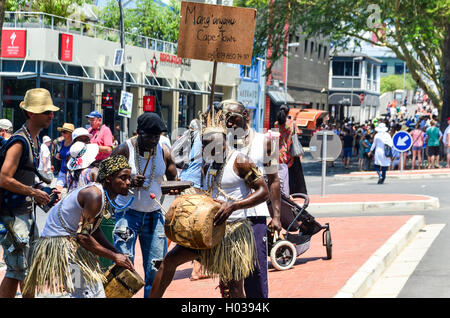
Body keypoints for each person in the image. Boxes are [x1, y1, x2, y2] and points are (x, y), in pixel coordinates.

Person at [149, 117, 269, 299]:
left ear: (225, 142)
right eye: (206, 145)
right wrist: (183, 192)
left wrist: (235, 205)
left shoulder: (241, 161)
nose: (210, 150)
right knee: (169, 261)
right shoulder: (207, 164)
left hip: (233, 233)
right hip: (207, 229)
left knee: (233, 289)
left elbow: (263, 191)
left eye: (215, 145)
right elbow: (208, 193)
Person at [23, 155, 135, 298]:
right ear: (109, 178)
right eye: (123, 178)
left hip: (70, 243)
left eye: (129, 178)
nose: (128, 182)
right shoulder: (95, 195)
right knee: (89, 294)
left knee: (87, 292)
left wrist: (117, 253)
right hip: (62, 246)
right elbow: (83, 237)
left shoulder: (101, 195)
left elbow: (94, 230)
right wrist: (114, 256)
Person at [110, 112, 178, 298]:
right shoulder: (125, 150)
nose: (154, 140)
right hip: (127, 213)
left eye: (158, 135)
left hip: (154, 215)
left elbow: (173, 179)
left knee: (156, 266)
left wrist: (176, 189)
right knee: (124, 264)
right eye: (150, 135)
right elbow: (105, 177)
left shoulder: (164, 151)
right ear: (139, 132)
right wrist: (127, 180)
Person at [0, 88, 59, 298]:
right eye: (46, 112)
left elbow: (24, 176)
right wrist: (33, 192)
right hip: (15, 216)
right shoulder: (19, 142)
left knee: (28, 270)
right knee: (16, 271)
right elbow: (4, 178)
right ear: (32, 113)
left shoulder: (32, 140)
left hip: (24, 214)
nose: (51, 115)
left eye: (51, 112)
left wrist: (43, 191)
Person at [222, 100, 282, 298]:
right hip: (228, 219)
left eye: (233, 118)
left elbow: (273, 181)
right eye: (226, 119)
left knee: (255, 271)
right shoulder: (221, 142)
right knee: (228, 275)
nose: (229, 123)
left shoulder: (265, 142)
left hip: (255, 215)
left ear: (246, 116)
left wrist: (276, 217)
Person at [273, 105, 292, 197]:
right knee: (285, 174)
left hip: (277, 150)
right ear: (288, 112)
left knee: (278, 173)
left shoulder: (276, 124)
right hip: (285, 151)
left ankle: (279, 191)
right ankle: (286, 193)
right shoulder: (290, 124)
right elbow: (289, 140)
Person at [55, 123, 74, 192]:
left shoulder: (75, 144)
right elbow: (60, 153)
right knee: (57, 192)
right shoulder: (62, 142)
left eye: (64, 132)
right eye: (62, 132)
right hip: (62, 172)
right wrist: (58, 154)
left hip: (72, 173)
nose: (62, 134)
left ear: (71, 133)